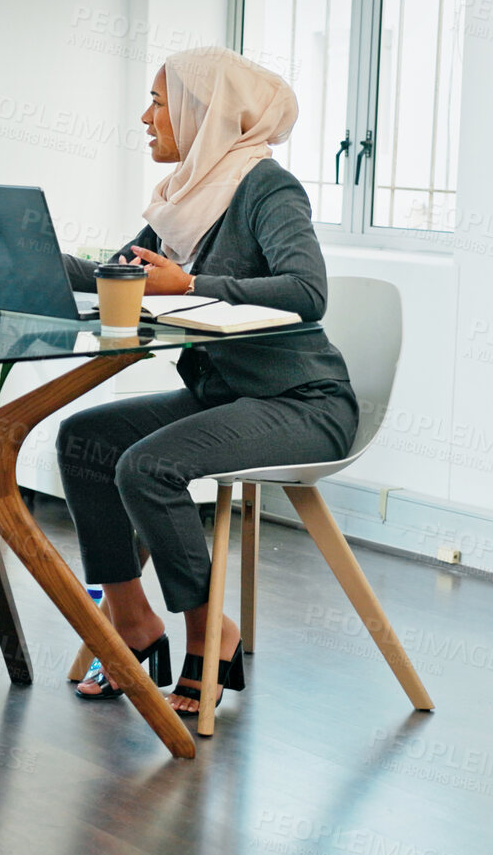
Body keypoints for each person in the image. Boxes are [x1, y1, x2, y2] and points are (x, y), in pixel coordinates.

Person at [56, 46, 356, 714]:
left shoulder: (263, 187)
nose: (145, 116)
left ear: (202, 112)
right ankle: (133, 624)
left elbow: (307, 290)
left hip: (302, 401)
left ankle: (208, 632)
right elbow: (117, 272)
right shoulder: (184, 198)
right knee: (84, 439)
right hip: (225, 394)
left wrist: (189, 282)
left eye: (158, 102)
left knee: (148, 467)